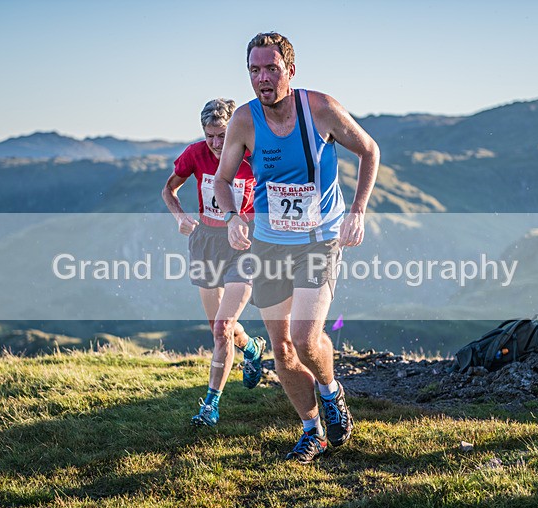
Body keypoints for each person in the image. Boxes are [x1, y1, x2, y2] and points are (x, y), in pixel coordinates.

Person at [213, 33, 380, 462]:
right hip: (269, 243)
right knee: (282, 347)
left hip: (318, 239)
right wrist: (233, 218)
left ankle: (330, 390)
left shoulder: (320, 108)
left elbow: (369, 150)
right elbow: (222, 180)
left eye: (271, 68)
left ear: (290, 69)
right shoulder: (245, 121)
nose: (262, 79)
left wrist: (357, 210)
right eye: (254, 70)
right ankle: (313, 431)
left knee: (306, 338)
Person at [162, 98, 267, 428]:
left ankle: (210, 406)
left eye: (222, 135)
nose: (217, 144)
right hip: (205, 242)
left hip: (243, 244)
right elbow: (169, 189)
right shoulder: (195, 154)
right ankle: (251, 348)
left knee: (222, 327)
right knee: (217, 327)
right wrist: (179, 217)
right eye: (210, 136)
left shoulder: (254, 154)